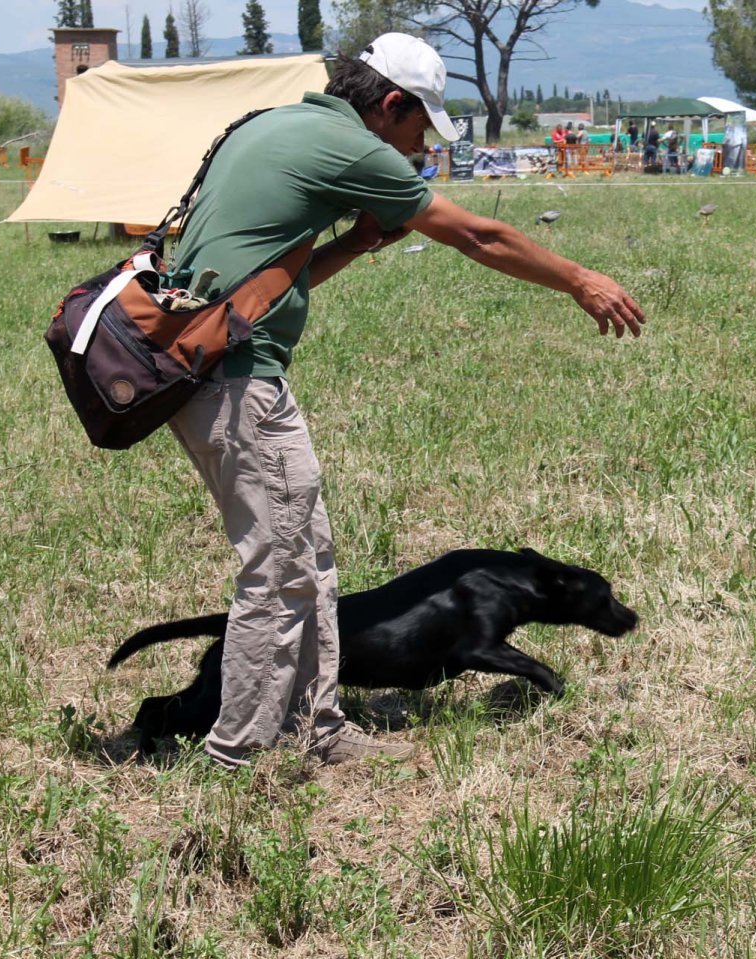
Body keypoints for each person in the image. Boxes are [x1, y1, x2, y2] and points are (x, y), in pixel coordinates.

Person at [161, 33, 645, 769]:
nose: (419, 149)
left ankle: (317, 725)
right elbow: (478, 236)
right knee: (278, 568)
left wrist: (353, 245)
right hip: (238, 381)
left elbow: (260, 286)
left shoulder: (269, 125)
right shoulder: (349, 146)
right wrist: (579, 278)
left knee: (309, 560)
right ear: (389, 106)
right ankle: (241, 750)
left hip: (209, 371)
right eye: (420, 128)